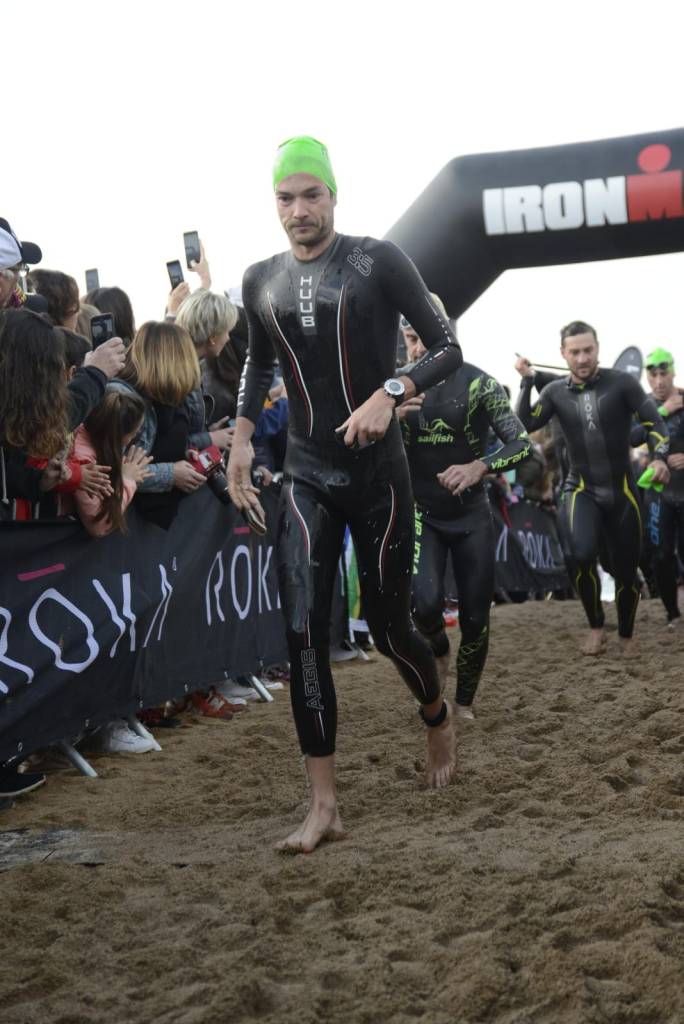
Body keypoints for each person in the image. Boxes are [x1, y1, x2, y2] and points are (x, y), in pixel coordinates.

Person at [227, 135, 464, 854]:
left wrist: (391, 391)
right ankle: (323, 805)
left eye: (312, 195)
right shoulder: (259, 280)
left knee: (391, 630)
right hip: (305, 474)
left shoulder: (377, 260)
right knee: (303, 633)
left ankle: (435, 713)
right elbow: (256, 365)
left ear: (333, 195)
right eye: (286, 198)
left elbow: (446, 347)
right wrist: (241, 440)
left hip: (378, 478)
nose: (299, 210)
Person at [398, 302, 531, 719]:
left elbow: (522, 444)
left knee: (475, 616)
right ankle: (439, 648)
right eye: (410, 339)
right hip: (422, 514)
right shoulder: (392, 388)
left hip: (471, 516)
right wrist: (389, 418)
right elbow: (352, 445)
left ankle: (464, 702)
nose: (418, 349)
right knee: (423, 607)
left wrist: (480, 467)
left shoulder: (480, 384)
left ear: (446, 334)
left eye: (425, 338)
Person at [516, 321, 670, 655]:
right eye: (575, 352)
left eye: (588, 350)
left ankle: (626, 635)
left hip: (622, 490)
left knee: (626, 570)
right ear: (563, 353)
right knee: (581, 555)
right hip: (580, 489)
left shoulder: (622, 383)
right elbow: (525, 423)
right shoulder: (554, 392)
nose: (583, 358)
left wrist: (659, 459)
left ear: (597, 348)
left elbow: (654, 423)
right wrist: (526, 382)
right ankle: (597, 625)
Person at [633, 347, 684, 625]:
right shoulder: (645, 407)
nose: (659, 382)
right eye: (653, 376)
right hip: (659, 493)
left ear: (673, 373)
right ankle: (672, 614)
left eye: (664, 375)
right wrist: (663, 410)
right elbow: (631, 436)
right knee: (660, 556)